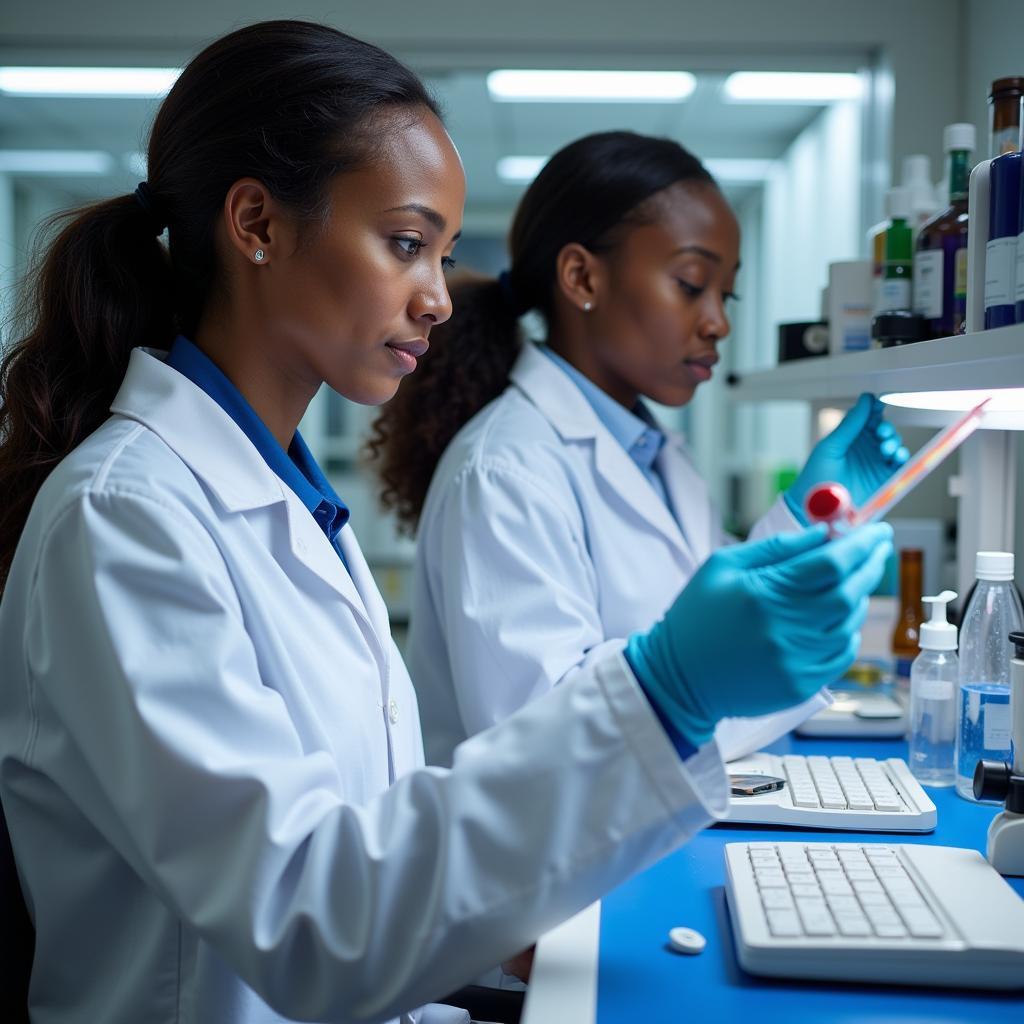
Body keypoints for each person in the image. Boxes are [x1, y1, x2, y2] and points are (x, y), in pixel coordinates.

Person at [0, 24, 892, 1024]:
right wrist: (664, 691)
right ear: (256, 222)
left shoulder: (279, 497)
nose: (436, 298)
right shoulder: (123, 518)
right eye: (404, 243)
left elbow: (371, 835)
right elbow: (310, 919)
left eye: (441, 252)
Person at [370, 130, 907, 769]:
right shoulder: (506, 470)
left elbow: (714, 619)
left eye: (725, 294)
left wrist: (805, 518)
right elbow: (543, 742)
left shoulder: (656, 456)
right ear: (582, 276)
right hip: (551, 855)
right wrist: (717, 677)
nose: (719, 322)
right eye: (690, 283)